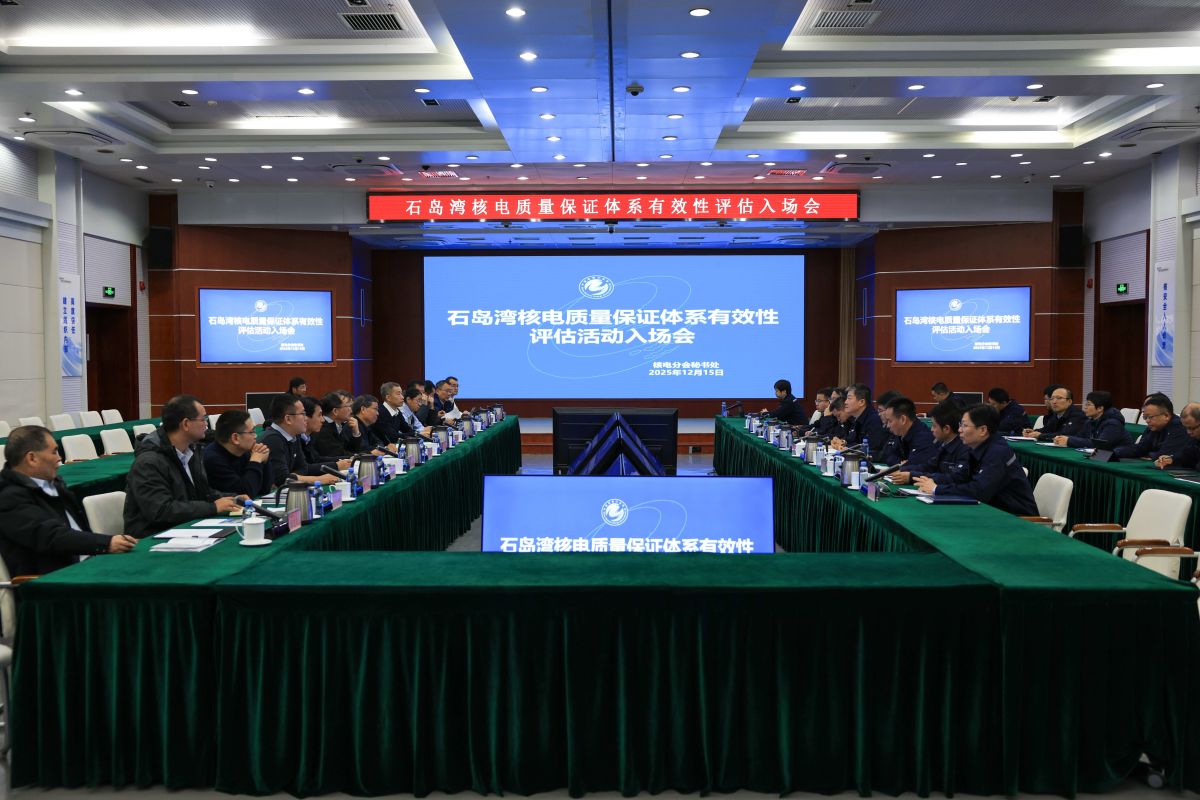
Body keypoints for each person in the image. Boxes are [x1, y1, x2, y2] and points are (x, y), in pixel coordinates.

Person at [0, 425, 135, 575]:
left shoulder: (55, 484)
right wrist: (106, 543)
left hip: (86, 565)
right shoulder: (9, 498)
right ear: (32, 458)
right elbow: (52, 536)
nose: (59, 458)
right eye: (54, 452)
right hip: (53, 579)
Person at [123, 395, 246, 537]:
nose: (206, 425)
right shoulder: (148, 462)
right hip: (153, 537)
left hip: (185, 529)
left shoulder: (191, 452)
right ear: (186, 424)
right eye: (203, 419)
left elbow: (203, 493)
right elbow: (161, 511)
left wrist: (232, 498)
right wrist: (213, 507)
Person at [914, 404, 1038, 515]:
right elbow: (959, 477)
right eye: (960, 425)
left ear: (983, 430)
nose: (959, 430)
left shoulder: (997, 452)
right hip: (991, 512)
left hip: (1016, 518)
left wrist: (936, 489)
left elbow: (979, 491)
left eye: (964, 425)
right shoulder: (975, 447)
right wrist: (928, 481)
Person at [259, 393, 339, 489]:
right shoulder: (272, 440)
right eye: (303, 414)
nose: (306, 418)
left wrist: (292, 476)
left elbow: (303, 468)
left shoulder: (294, 436)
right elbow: (282, 480)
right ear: (288, 419)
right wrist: (319, 480)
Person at [891, 401, 970, 485]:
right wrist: (901, 469)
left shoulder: (965, 449)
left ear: (946, 429)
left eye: (934, 426)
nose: (931, 429)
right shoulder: (943, 446)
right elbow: (928, 467)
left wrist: (912, 477)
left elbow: (954, 478)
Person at [203, 410, 273, 498]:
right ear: (235, 438)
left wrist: (264, 461)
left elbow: (265, 489)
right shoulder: (212, 459)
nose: (256, 436)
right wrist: (255, 461)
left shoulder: (243, 452)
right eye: (252, 432)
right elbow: (245, 494)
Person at [1114, 393, 1190, 460]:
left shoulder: (1179, 427)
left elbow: (1166, 454)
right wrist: (1115, 452)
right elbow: (1141, 448)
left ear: (1166, 416)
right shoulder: (1154, 427)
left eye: (1150, 417)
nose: (1147, 421)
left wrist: (1150, 455)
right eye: (1145, 417)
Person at [1053, 390, 1132, 450]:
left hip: (1119, 459)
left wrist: (1069, 440)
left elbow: (1099, 444)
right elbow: (1080, 437)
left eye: (1088, 404)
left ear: (1100, 408)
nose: (1085, 407)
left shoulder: (1113, 424)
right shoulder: (1090, 421)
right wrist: (1063, 438)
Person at [879, 396, 939, 467]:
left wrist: (904, 465)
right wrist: (901, 464)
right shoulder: (899, 432)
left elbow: (915, 467)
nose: (888, 425)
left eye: (890, 421)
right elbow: (886, 455)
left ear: (903, 419)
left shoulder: (924, 438)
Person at [830, 383, 884, 459]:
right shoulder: (857, 418)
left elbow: (871, 449)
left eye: (849, 398)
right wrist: (842, 443)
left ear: (861, 402)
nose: (845, 402)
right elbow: (853, 441)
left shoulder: (874, 420)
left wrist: (848, 449)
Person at [299, 396, 353, 472]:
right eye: (319, 415)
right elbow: (302, 469)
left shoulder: (309, 437)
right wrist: (336, 465)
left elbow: (316, 459)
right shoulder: (295, 439)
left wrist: (347, 460)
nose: (323, 420)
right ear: (305, 417)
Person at [314, 390, 363, 458]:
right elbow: (339, 455)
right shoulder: (323, 429)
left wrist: (356, 433)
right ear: (335, 411)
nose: (351, 410)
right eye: (348, 406)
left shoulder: (339, 425)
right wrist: (363, 456)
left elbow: (351, 450)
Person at [1156, 403, 1200, 469]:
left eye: (1192, 428)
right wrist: (1171, 459)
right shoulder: (1195, 439)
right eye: (1186, 428)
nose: (1188, 432)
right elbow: (1188, 456)